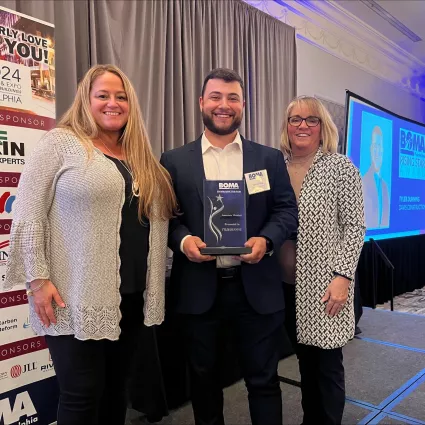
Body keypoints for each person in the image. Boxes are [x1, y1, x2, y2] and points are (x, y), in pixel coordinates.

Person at [2, 64, 177, 425]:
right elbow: (27, 213)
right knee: (81, 396)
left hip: (129, 298)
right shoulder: (61, 143)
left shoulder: (140, 154)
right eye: (103, 95)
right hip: (73, 297)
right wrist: (37, 279)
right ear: (86, 99)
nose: (113, 103)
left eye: (121, 97)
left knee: (116, 393)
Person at [160, 68, 298, 425]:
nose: (224, 105)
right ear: (202, 102)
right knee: (204, 383)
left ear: (243, 105)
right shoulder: (174, 160)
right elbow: (166, 218)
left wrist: (266, 240)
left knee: (264, 381)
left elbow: (285, 211)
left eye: (233, 98)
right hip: (198, 290)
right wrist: (184, 240)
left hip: (256, 288)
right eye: (217, 97)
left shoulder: (267, 159)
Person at [280, 96, 365, 425]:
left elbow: (355, 227)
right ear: (286, 127)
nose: (302, 125)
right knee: (305, 362)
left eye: (311, 119)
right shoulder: (277, 169)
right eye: (295, 119)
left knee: (328, 365)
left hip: (327, 285)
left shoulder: (340, 167)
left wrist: (343, 277)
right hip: (286, 287)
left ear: (322, 127)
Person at [362, 125, 390, 228]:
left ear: (383, 150)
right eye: (375, 147)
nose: (377, 152)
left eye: (379, 147)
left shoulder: (384, 187)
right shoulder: (362, 183)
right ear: (370, 149)